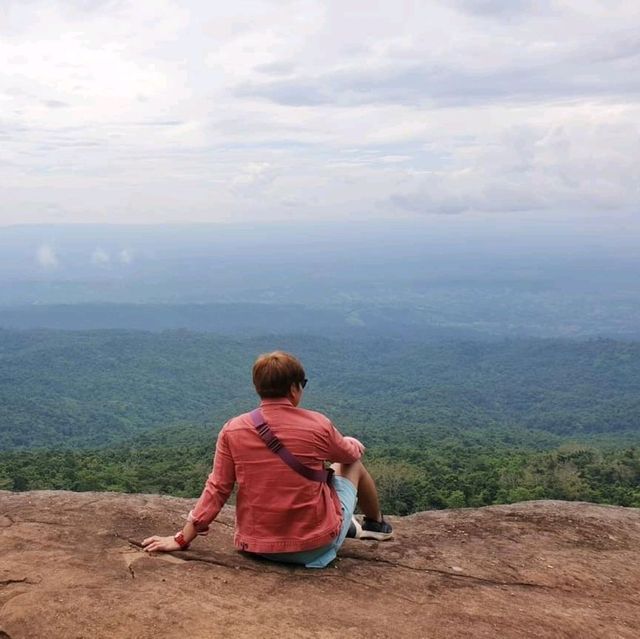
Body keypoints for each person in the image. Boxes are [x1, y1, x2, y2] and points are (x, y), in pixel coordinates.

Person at [142, 351, 393, 568]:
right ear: (294, 388)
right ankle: (375, 526)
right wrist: (354, 444)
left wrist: (181, 539)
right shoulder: (318, 425)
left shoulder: (233, 430)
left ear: (257, 388)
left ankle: (346, 525)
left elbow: (217, 488)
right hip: (312, 547)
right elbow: (348, 456)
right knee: (350, 465)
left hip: (256, 547)